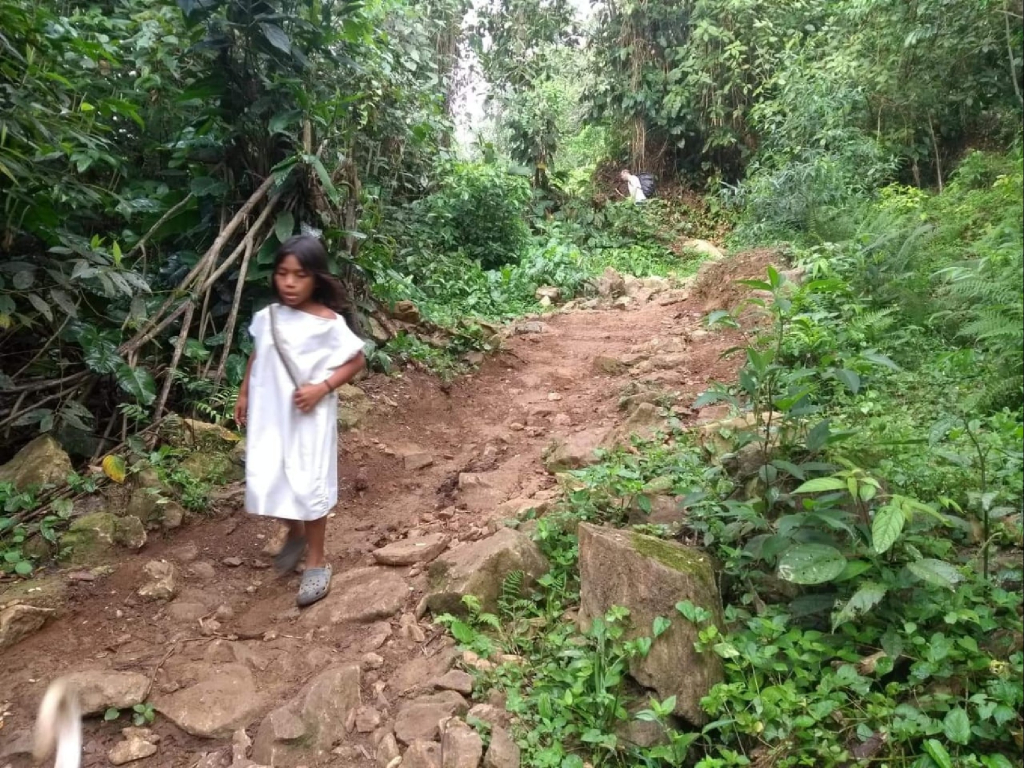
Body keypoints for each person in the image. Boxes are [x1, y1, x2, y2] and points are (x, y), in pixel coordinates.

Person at [234, 235, 366, 607]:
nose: (289, 283)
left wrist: (322, 387)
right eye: (282, 274)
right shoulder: (268, 318)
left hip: (308, 419)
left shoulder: (329, 324)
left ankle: (316, 562)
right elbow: (259, 354)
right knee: (269, 479)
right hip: (270, 416)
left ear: (316, 279)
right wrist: (245, 393)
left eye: (299, 275)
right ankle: (294, 531)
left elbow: (356, 361)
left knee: (309, 486)